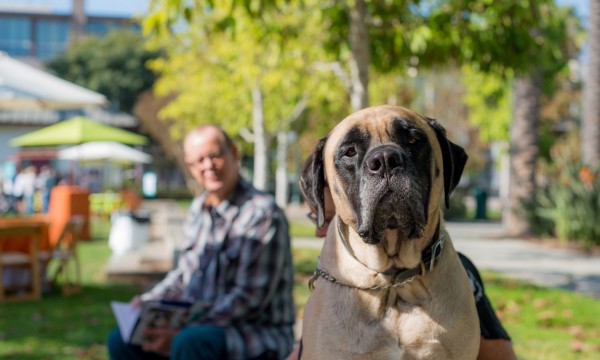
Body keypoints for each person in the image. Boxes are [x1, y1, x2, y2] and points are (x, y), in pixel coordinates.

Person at [107, 125, 296, 360]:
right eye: (199, 161)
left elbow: (249, 299)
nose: (208, 166)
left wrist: (181, 331)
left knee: (189, 343)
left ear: (234, 153)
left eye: (215, 155)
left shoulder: (263, 213)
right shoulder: (198, 209)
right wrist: (147, 302)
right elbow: (184, 275)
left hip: (255, 334)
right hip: (200, 326)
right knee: (122, 339)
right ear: (190, 167)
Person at [286, 185, 517, 360]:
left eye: (328, 218)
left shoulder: (457, 273)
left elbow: (501, 355)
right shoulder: (330, 281)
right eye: (313, 218)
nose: (319, 232)